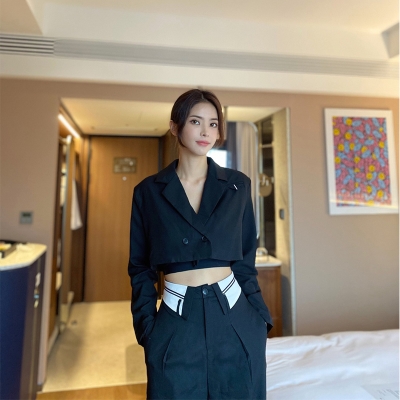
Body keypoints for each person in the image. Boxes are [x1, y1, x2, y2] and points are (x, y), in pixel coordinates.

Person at [128, 88, 273, 400]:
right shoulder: (148, 192)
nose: (206, 131)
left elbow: (245, 260)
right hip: (175, 321)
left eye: (213, 123)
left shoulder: (237, 185)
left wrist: (259, 318)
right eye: (196, 121)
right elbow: (140, 268)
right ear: (175, 126)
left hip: (235, 317)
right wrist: (148, 329)